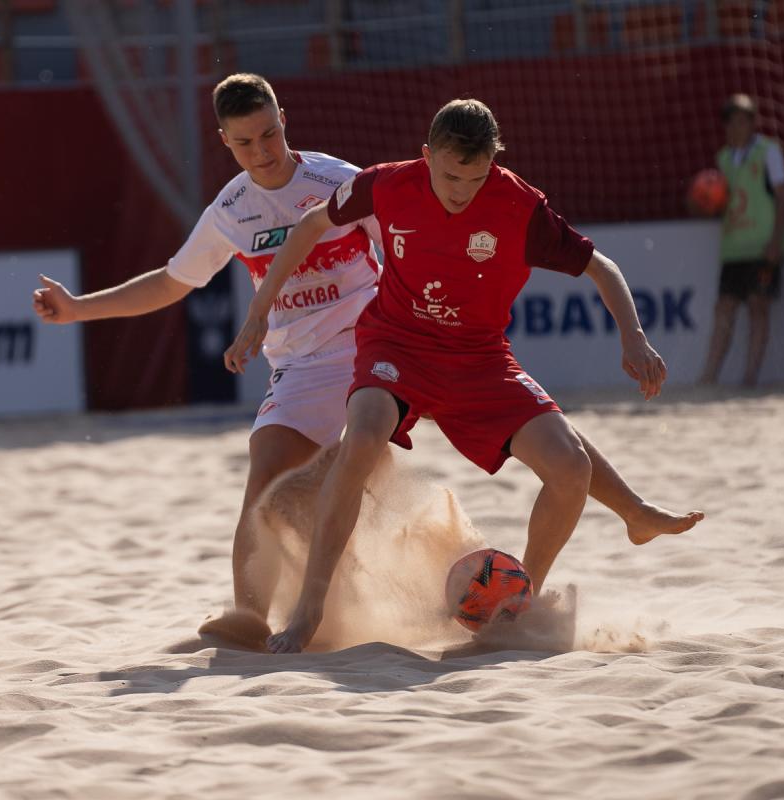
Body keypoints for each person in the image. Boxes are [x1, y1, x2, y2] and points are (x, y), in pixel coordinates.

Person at [37, 78, 698, 637]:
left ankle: (622, 516)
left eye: (269, 134)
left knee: (544, 444)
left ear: (284, 120)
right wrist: (79, 309)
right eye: (245, 142)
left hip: (383, 341)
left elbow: (426, 241)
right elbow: (170, 282)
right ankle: (252, 619)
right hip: (319, 362)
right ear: (225, 143)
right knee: (267, 473)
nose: (262, 152)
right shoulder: (232, 210)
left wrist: (619, 333)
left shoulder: (342, 179)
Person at [225, 99, 697, 654]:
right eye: (450, 176)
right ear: (426, 156)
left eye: (476, 178)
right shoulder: (387, 184)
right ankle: (310, 610)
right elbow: (312, 223)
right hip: (396, 345)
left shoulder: (519, 204)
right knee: (364, 436)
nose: (461, 191)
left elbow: (601, 266)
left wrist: (634, 337)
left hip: (479, 360)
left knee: (570, 467)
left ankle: (517, 604)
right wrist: (258, 311)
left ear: (494, 161)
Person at [697, 93, 784, 387]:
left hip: (762, 247)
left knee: (757, 305)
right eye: (732, 122)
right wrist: (702, 202)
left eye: (742, 121)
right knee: (724, 308)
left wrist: (776, 242)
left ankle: (750, 377)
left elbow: (783, 197)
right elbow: (718, 203)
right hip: (734, 249)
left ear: (752, 123)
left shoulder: (768, 152)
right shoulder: (723, 159)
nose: (737, 127)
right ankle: (709, 376)